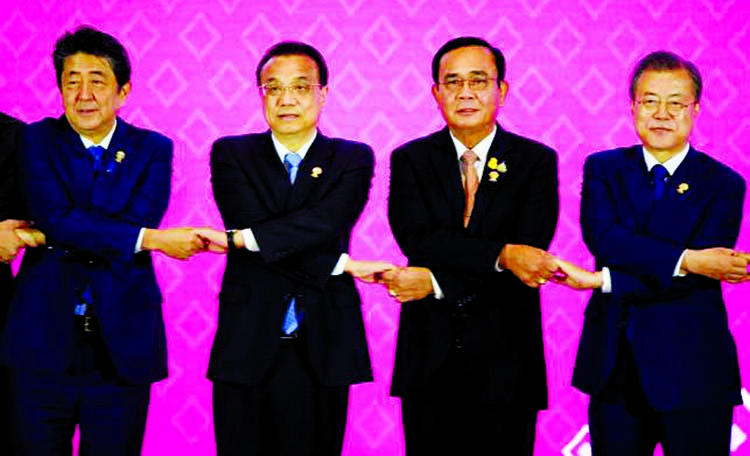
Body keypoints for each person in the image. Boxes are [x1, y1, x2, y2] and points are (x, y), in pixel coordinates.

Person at [0, 26, 226, 455]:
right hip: (40, 343)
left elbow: (120, 217)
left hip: (121, 345)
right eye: (72, 81)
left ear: (123, 91)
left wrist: (63, 228)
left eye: (97, 80)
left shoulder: (153, 148)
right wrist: (148, 240)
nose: (83, 93)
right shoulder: (35, 139)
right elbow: (56, 215)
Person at [556, 50, 750, 455]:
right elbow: (607, 239)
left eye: (676, 103)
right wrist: (689, 259)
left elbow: (700, 275)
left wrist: (604, 280)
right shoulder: (604, 168)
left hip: (695, 368)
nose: (662, 113)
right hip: (614, 365)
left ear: (695, 109)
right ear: (632, 107)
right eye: (650, 101)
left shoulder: (723, 183)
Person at [208, 41, 392, 456]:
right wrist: (343, 265)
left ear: (322, 94)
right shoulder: (231, 153)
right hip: (246, 341)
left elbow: (328, 223)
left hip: (322, 341)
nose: (286, 99)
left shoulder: (352, 157)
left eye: (300, 87)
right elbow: (257, 223)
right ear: (261, 95)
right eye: (273, 88)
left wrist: (241, 240)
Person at [384, 36, 560, 455]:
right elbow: (417, 237)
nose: (465, 92)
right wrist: (501, 255)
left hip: (507, 359)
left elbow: (529, 251)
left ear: (502, 90)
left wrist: (435, 282)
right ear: (436, 93)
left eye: (478, 81)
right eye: (453, 82)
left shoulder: (536, 160)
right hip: (428, 359)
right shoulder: (411, 159)